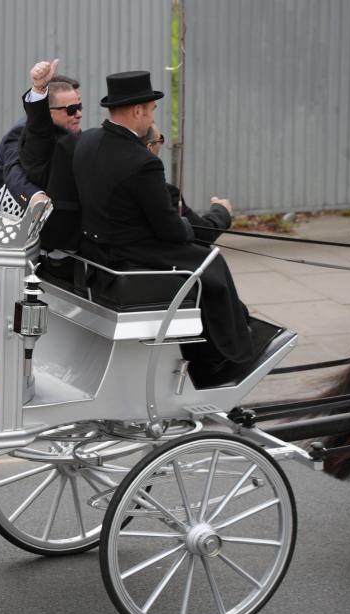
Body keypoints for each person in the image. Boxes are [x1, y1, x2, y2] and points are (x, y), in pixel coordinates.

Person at [72, 70, 253, 383]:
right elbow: (170, 230)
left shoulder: (87, 140)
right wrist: (188, 228)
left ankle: (219, 340)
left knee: (200, 258)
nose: (152, 115)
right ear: (139, 110)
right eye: (152, 109)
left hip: (97, 247)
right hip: (129, 254)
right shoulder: (142, 162)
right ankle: (223, 357)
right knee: (210, 263)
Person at [17, 59, 83, 250]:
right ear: (48, 113)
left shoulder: (77, 137)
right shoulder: (42, 139)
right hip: (57, 245)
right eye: (70, 110)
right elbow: (38, 127)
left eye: (79, 107)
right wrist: (39, 89)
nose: (78, 114)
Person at [143, 123, 232, 242]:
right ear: (149, 147)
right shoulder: (161, 191)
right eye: (161, 138)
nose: (161, 143)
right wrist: (221, 211)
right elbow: (203, 233)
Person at [0, 118, 43, 207]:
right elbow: (13, 170)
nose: (76, 114)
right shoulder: (24, 129)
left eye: (77, 107)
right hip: (10, 208)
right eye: (70, 110)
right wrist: (34, 195)